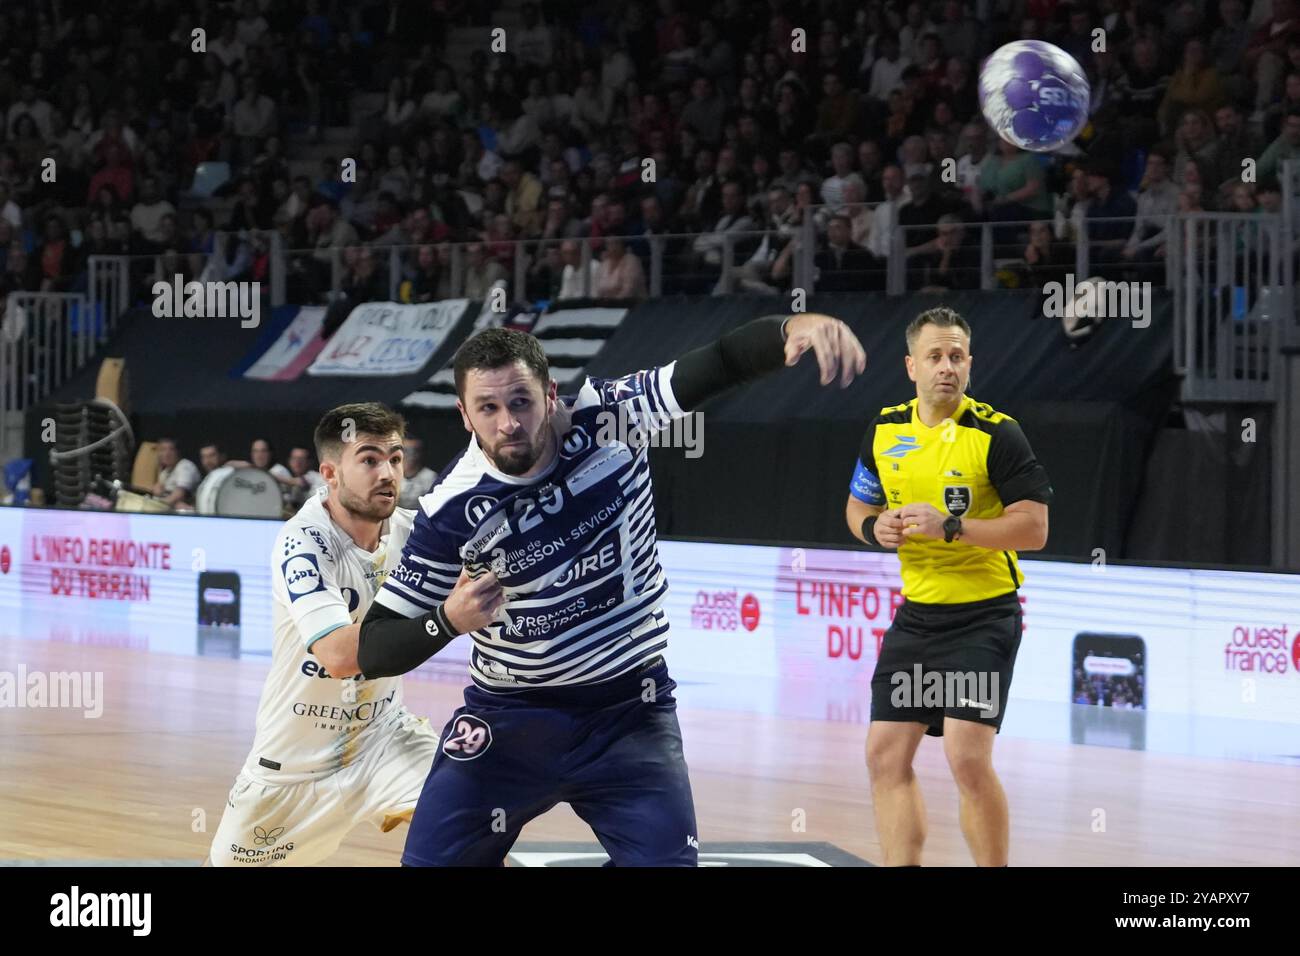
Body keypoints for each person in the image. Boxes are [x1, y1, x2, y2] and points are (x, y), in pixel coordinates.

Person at [356, 312, 866, 866]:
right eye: (489, 408)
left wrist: (787, 330)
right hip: (508, 721)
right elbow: (375, 647)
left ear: (550, 394)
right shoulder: (450, 513)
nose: (508, 423)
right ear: (464, 414)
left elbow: (715, 364)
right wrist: (448, 620)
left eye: (522, 401)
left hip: (630, 712)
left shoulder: (611, 417)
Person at [844, 307, 1052, 867]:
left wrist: (952, 527)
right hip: (918, 618)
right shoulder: (884, 429)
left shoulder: (997, 433)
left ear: (969, 364)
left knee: (966, 757)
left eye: (956, 356)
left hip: (984, 619)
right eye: (935, 356)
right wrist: (873, 528)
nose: (946, 367)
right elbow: (858, 506)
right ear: (911, 366)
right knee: (884, 757)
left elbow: (1034, 529)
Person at [208, 404, 447, 866]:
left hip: (385, 740)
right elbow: (339, 656)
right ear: (330, 473)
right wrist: (447, 619)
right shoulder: (303, 542)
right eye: (370, 459)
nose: (387, 473)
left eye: (395, 459)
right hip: (292, 767)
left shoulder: (414, 534)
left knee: (470, 829)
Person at [151, 438, 200, 509]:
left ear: (177, 452)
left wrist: (157, 505)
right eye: (163, 450)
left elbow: (179, 495)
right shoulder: (165, 472)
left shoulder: (185, 466)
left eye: (171, 449)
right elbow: (160, 493)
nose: (166, 454)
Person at [398, 437, 439, 510]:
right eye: (407, 451)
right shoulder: (392, 475)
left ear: (421, 453)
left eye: (415, 451)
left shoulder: (431, 478)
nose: (411, 456)